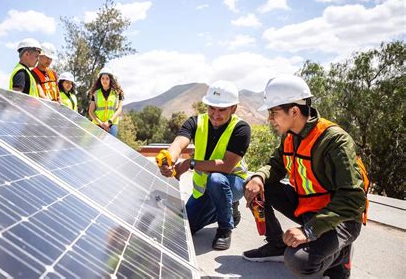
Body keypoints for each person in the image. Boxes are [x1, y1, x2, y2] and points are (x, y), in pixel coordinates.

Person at [242, 75, 368, 278]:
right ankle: (276, 244)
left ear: (294, 111)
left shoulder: (334, 140)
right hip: (307, 207)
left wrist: (309, 231)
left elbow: (353, 198)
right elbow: (275, 166)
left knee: (299, 262)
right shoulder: (290, 136)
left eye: (273, 112)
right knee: (254, 184)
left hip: (341, 220)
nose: (269, 119)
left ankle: (341, 257)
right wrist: (258, 177)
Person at [158, 81, 251, 250]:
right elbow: (179, 143)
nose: (215, 114)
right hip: (204, 190)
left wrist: (189, 163)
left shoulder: (241, 128)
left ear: (233, 109)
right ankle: (228, 208)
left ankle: (225, 228)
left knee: (216, 180)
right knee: (184, 229)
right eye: (212, 108)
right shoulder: (195, 122)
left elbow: (226, 166)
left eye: (221, 109)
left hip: (233, 182)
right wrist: (168, 160)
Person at [88, 67, 124, 137]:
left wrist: (109, 122)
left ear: (111, 80)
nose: (104, 80)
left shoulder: (117, 92)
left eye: (107, 78)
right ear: (100, 80)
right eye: (103, 78)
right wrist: (101, 123)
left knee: (110, 144)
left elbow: (119, 110)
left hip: (112, 123)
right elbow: (91, 111)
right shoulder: (95, 93)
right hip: (98, 123)